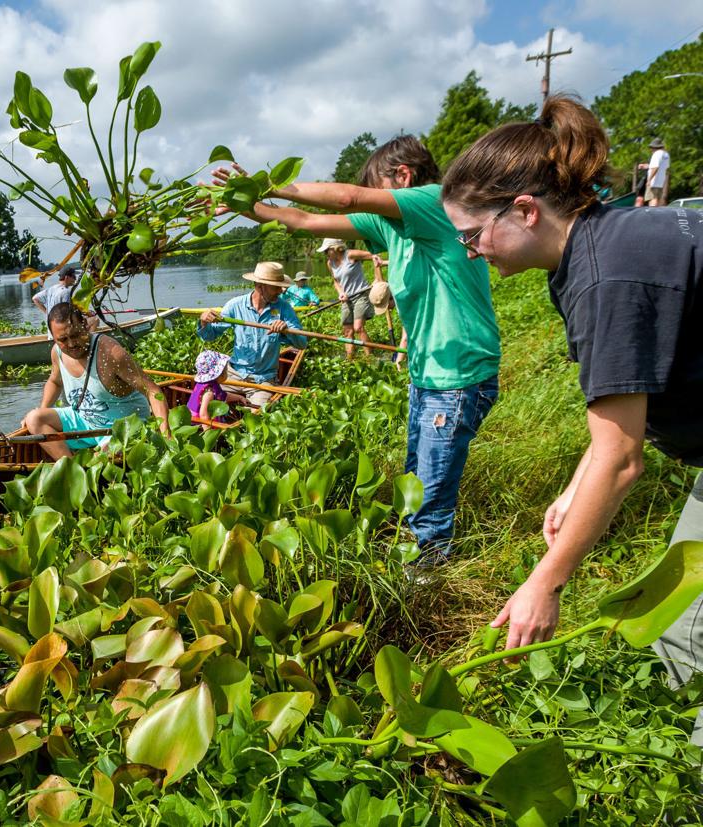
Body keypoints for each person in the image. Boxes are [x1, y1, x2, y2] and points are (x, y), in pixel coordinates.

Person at [441, 95, 703, 735]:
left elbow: (621, 461)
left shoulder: (604, 276)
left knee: (690, 628)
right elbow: (623, 408)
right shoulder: (606, 237)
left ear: (524, 209)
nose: (473, 253)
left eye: (473, 236)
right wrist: (575, 482)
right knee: (682, 611)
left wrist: (544, 585)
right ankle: (669, 739)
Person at [212, 137, 500, 565]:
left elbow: (346, 196)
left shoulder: (434, 202)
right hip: (428, 375)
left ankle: (428, 577)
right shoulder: (391, 227)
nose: (372, 205)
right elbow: (306, 222)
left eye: (379, 192)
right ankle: (418, 558)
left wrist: (265, 185)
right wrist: (247, 207)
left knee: (432, 495)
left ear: (402, 177)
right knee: (417, 481)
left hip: (459, 375)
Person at [22, 303, 170, 460]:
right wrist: (44, 409)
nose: (71, 344)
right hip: (83, 420)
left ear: (85, 325)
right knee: (34, 418)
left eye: (76, 335)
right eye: (63, 339)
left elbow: (153, 391)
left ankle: (84, 472)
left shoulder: (111, 353)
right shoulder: (57, 352)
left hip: (124, 427)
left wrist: (166, 437)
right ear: (53, 337)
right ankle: (74, 470)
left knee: (106, 452)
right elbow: (55, 381)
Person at [197, 261, 309, 407]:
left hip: (263, 379)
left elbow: (302, 343)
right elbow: (209, 335)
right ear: (260, 286)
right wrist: (204, 322)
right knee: (205, 401)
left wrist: (287, 330)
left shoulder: (284, 308)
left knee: (256, 417)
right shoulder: (235, 305)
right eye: (276, 287)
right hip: (233, 375)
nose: (281, 291)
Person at [318, 238, 376, 358]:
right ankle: (350, 360)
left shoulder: (350, 255)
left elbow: (375, 257)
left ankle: (370, 359)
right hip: (346, 299)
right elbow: (336, 281)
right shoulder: (330, 263)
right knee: (347, 332)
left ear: (335, 248)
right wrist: (341, 293)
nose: (325, 254)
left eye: (326, 251)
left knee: (358, 328)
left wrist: (377, 279)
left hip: (361, 294)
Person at [188, 350, 249, 426]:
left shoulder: (207, 384)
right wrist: (209, 435)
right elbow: (203, 416)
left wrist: (239, 398)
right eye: (225, 370)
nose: (227, 372)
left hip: (201, 418)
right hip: (199, 424)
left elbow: (223, 396)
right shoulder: (209, 393)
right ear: (219, 374)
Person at [638, 137, 671, 207]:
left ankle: (653, 215)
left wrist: (649, 180)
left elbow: (656, 167)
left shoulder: (656, 154)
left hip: (654, 182)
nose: (651, 149)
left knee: (653, 199)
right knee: (658, 199)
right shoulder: (666, 155)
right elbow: (663, 167)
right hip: (660, 182)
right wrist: (646, 166)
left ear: (654, 147)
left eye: (651, 147)